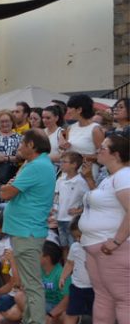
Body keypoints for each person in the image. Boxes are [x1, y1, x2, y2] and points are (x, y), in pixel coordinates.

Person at [1, 129, 57, 324]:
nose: (19, 147)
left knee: (32, 285)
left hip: (27, 231)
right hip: (26, 230)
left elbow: (6, 193)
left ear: (31, 145)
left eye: (22, 143)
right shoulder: (38, 164)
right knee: (28, 283)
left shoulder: (36, 166)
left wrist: (6, 188)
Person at [78, 135, 129, 324]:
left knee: (125, 299)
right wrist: (90, 179)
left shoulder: (124, 175)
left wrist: (117, 241)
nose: (99, 150)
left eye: (104, 148)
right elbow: (105, 205)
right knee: (103, 298)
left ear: (116, 154)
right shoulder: (111, 177)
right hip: (98, 246)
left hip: (113, 248)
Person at [59, 215, 94, 324]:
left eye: (80, 236)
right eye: (75, 237)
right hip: (77, 287)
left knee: (97, 313)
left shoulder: (95, 248)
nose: (78, 239)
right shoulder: (75, 247)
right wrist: (63, 277)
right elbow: (70, 263)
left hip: (94, 288)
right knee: (71, 313)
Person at [60, 94, 104, 179]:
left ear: (79, 109)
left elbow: (101, 156)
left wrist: (79, 157)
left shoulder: (95, 129)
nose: (68, 111)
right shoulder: (70, 128)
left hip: (86, 174)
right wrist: (64, 148)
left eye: (70, 108)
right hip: (68, 172)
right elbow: (67, 152)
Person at [53, 152, 89, 252]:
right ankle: (66, 265)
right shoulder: (60, 180)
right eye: (61, 162)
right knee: (64, 246)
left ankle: (74, 266)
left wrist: (79, 210)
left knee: (73, 246)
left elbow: (89, 199)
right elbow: (56, 196)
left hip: (72, 220)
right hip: (60, 219)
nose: (61, 164)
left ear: (74, 165)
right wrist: (54, 211)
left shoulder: (81, 181)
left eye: (64, 162)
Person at [39, 241, 70, 323]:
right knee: (19, 296)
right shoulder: (38, 269)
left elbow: (67, 299)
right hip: (43, 303)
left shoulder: (61, 273)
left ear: (47, 258)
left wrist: (51, 314)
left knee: (66, 316)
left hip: (58, 306)